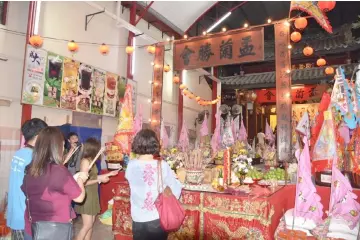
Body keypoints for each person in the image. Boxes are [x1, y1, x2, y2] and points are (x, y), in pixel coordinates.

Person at [21, 127, 88, 239]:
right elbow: (79, 198)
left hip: (31, 228)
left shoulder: (30, 168)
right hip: (54, 231)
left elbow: (28, 191)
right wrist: (81, 178)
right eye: (62, 145)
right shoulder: (59, 171)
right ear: (56, 147)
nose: (63, 148)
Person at [126, 129, 182, 240]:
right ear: (155, 145)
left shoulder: (131, 165)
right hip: (156, 217)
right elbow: (175, 189)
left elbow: (131, 181)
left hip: (137, 218)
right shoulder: (163, 165)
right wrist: (177, 182)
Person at [7, 118, 47, 240]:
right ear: (39, 135)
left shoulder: (19, 153)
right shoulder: (34, 157)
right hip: (27, 215)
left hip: (15, 211)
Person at [74, 138, 119, 240]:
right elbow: (83, 182)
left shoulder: (91, 161)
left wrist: (109, 174)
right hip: (87, 195)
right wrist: (100, 180)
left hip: (93, 194)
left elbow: (94, 177)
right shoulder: (85, 161)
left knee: (91, 225)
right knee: (87, 226)